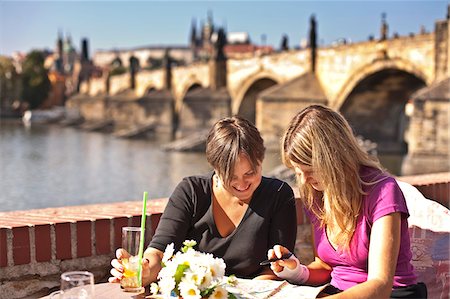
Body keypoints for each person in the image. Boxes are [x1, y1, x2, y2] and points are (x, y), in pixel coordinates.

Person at [109, 115, 297, 286]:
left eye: (250, 173)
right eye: (230, 176)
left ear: (261, 160)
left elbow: (274, 270)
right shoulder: (191, 191)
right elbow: (159, 252)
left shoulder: (279, 195)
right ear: (215, 167)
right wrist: (144, 270)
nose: (242, 184)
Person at [267, 105, 426, 298]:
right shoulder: (318, 193)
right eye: (297, 172)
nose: (304, 180)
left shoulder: (382, 191)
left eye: (309, 170)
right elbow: (326, 266)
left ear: (333, 159)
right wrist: (296, 271)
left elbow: (381, 284)